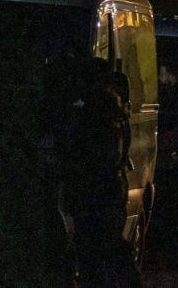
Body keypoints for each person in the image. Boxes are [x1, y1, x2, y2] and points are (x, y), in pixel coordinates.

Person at [63, 59, 140, 287]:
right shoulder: (113, 110)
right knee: (107, 249)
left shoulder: (99, 111)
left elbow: (94, 156)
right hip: (108, 190)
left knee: (97, 251)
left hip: (98, 192)